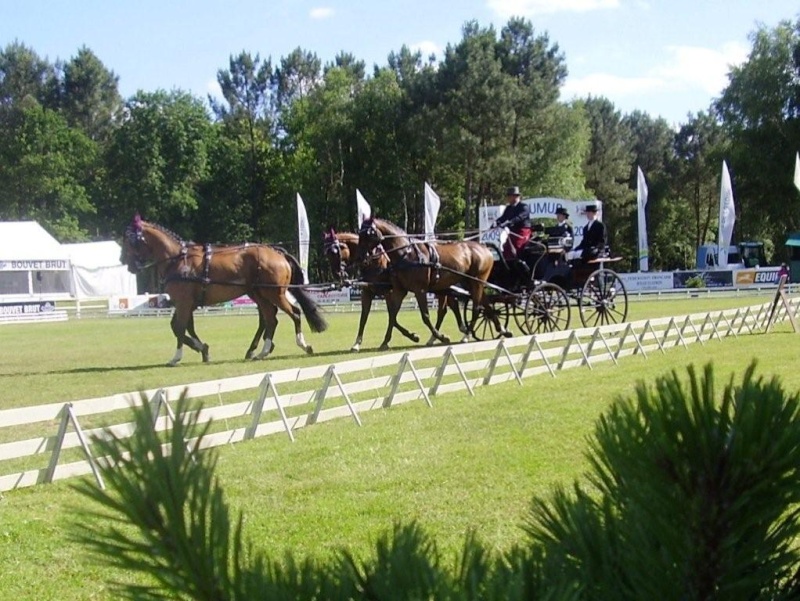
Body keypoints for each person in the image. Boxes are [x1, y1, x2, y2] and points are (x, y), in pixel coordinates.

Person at [494, 186, 531, 260]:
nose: (508, 198)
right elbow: (503, 218)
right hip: (512, 233)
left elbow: (519, 217)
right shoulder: (508, 208)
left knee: (517, 248)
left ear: (515, 197)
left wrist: (509, 222)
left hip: (522, 233)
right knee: (506, 249)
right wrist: (496, 223)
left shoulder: (524, 207)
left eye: (509, 196)